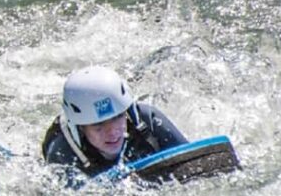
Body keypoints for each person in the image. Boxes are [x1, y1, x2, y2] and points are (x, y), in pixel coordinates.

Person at [41, 66, 188, 179]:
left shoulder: (147, 120)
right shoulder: (63, 154)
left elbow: (192, 162)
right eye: (98, 126)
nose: (112, 132)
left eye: (117, 118)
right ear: (80, 129)